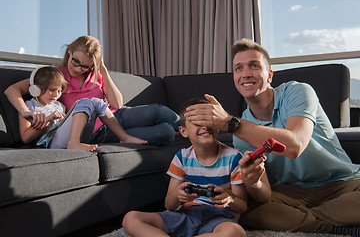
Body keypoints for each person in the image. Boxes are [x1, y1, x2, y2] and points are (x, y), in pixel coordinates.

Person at [184, 38, 360, 235]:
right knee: (243, 206)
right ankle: (337, 223)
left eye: (254, 65)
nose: (245, 74)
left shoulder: (298, 91)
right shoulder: (241, 133)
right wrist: (253, 182)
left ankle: (306, 220)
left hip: (344, 183)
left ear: (269, 75)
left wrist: (228, 123)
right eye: (238, 68)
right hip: (293, 192)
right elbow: (264, 193)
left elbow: (295, 146)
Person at [5, 35, 179, 148]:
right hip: (97, 132)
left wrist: (101, 69)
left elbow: (117, 104)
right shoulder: (54, 76)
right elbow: (12, 90)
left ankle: (188, 127)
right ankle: (180, 131)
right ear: (69, 52)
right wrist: (26, 112)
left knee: (158, 110)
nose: (79, 69)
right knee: (166, 133)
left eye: (85, 66)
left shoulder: (94, 74)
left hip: (116, 116)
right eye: (75, 61)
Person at [122, 97, 262, 237]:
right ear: (183, 131)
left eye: (208, 120)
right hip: (187, 215)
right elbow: (169, 205)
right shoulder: (182, 157)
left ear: (218, 126)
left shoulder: (234, 158)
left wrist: (229, 198)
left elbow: (242, 206)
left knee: (236, 232)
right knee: (131, 218)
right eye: (196, 122)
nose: (204, 126)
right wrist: (178, 194)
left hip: (219, 219)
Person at [19, 66, 147, 151]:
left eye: (59, 91)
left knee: (97, 102)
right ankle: (73, 143)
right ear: (36, 89)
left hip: (70, 136)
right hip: (51, 143)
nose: (56, 95)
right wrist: (49, 118)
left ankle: (123, 137)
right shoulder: (30, 107)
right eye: (52, 90)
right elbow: (25, 138)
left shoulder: (59, 106)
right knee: (84, 102)